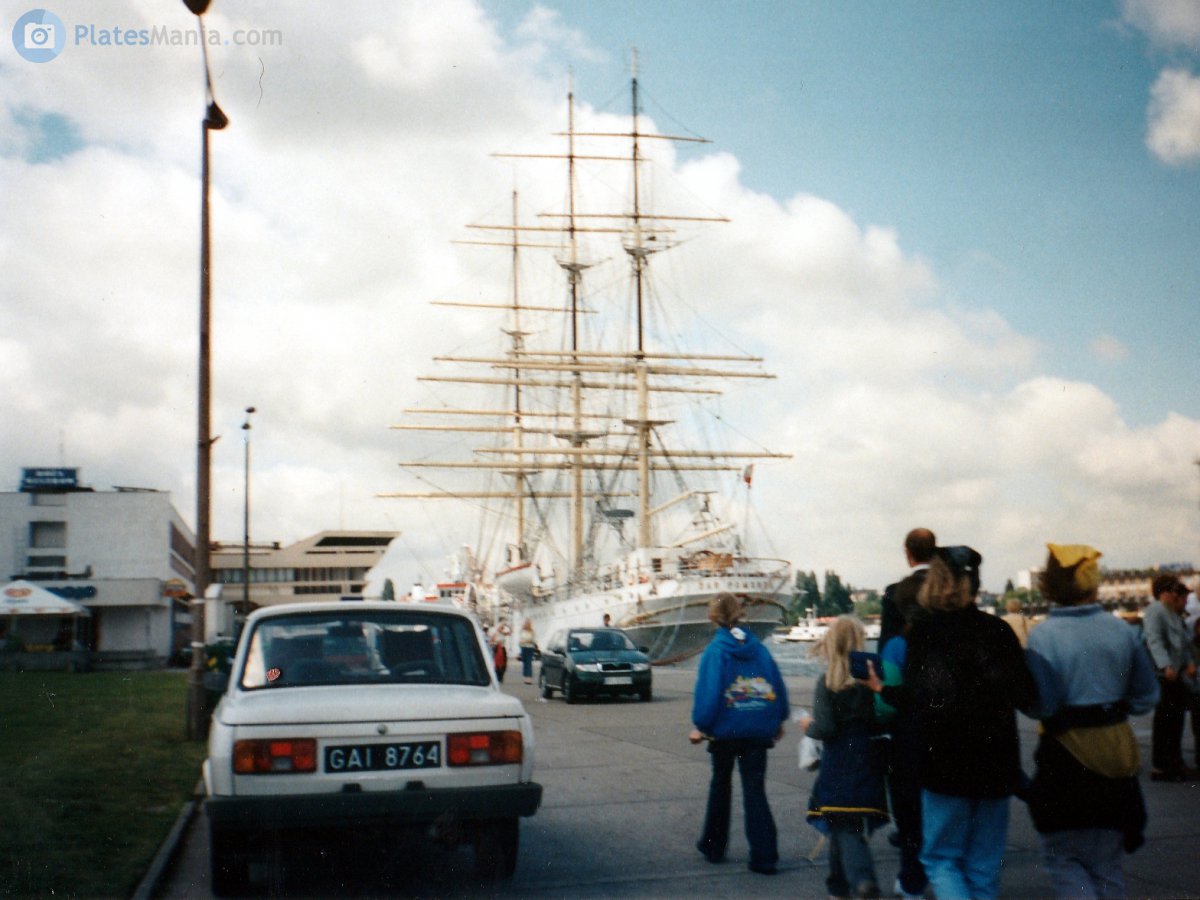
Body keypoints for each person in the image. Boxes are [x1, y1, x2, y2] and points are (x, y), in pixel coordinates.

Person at [867, 545, 1038, 900]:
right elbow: (1026, 694)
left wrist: (885, 690)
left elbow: (921, 698)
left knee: (940, 858)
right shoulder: (998, 631)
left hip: (945, 762)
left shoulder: (925, 634)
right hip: (996, 761)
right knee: (984, 861)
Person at [1024, 543, 1160, 898]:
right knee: (1108, 863)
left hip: (1065, 757)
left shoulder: (1043, 637)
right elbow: (1146, 697)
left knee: (1064, 858)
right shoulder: (1123, 632)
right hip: (1117, 753)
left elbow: (1045, 705)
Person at [689, 593, 789, 875]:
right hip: (757, 729)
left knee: (721, 785)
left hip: (724, 731)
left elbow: (708, 694)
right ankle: (765, 855)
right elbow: (776, 684)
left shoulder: (715, 651)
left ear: (712, 617)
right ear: (741, 614)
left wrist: (701, 725)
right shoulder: (759, 649)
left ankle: (714, 845)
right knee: (755, 790)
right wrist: (778, 718)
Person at [801, 616, 888, 899]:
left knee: (843, 822)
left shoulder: (827, 682)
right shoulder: (872, 678)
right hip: (868, 754)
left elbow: (825, 727)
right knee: (846, 820)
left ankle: (862, 879)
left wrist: (808, 726)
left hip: (839, 758)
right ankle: (837, 885)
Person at [873, 615, 927, 899]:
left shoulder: (897, 645)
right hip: (948, 736)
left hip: (907, 738)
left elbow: (885, 706)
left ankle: (912, 882)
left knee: (908, 817)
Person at [1142, 574, 1198, 780]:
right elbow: (1154, 640)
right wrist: (1165, 665)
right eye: (1173, 589)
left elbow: (1182, 641)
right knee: (1166, 721)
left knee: (1175, 721)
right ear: (1165, 591)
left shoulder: (1172, 612)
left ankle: (1175, 762)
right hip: (1164, 675)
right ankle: (1161, 766)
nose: (1177, 594)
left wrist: (1189, 662)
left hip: (1175, 674)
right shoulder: (1156, 610)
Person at [877, 527, 936, 653]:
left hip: (907, 666)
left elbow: (885, 646)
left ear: (908, 553)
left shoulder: (893, 592)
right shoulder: (950, 590)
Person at [518, 619, 537, 684]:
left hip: (530, 648)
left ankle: (529, 679)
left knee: (529, 663)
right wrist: (522, 643)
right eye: (526, 623)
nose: (527, 624)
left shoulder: (532, 632)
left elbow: (533, 640)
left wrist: (526, 641)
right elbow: (520, 640)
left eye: (528, 623)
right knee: (524, 663)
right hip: (523, 648)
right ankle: (525, 677)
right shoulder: (522, 631)